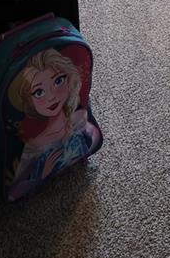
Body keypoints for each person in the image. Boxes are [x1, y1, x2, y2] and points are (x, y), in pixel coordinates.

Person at [6, 48, 101, 198]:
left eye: (58, 81)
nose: (52, 97)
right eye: (39, 92)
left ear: (69, 79)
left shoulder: (79, 117)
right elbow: (14, 191)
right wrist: (42, 174)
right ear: (29, 101)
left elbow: (95, 139)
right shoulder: (35, 144)